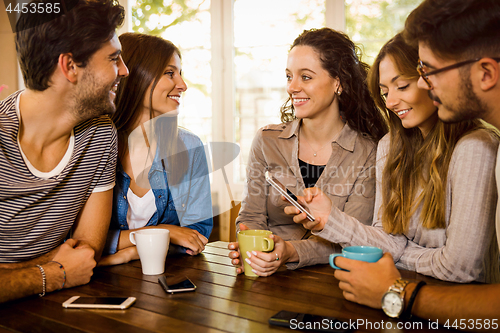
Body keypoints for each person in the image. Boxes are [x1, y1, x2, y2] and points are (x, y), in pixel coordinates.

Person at [309, 0, 500, 325]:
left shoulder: (477, 146)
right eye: (384, 91)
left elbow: (461, 267)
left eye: (405, 83)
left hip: (456, 308)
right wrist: (330, 219)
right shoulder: (391, 146)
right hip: (413, 301)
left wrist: (395, 267)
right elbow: (389, 237)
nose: (392, 100)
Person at [228, 27, 388, 276]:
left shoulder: (368, 152)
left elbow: (355, 237)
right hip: (269, 277)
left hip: (335, 281)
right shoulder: (266, 141)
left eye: (306, 77)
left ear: (339, 82)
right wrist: (252, 246)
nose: (292, 87)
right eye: (289, 76)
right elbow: (251, 216)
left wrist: (291, 251)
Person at [0, 0, 128, 303]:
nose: (124, 70)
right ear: (70, 66)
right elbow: (69, 268)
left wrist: (10, 274)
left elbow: (84, 255)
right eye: (113, 58)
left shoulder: (100, 134)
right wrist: (53, 272)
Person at [98, 33, 213, 266]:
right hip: (99, 281)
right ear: (136, 74)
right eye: (170, 73)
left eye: (180, 74)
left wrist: (131, 251)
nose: (182, 85)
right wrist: (164, 232)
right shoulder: (94, 144)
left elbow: (196, 234)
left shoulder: (190, 147)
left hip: (167, 277)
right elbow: (78, 239)